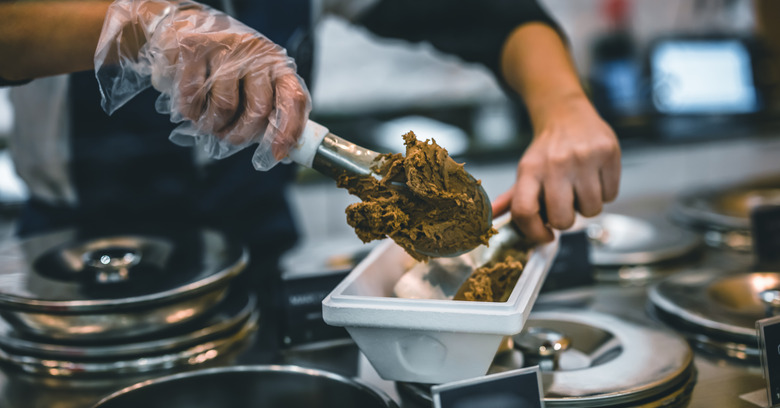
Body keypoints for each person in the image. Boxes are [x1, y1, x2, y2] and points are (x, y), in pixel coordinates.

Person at [0, 0, 620, 273]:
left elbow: (488, 15)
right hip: (73, 273)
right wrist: (143, 23)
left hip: (253, 259)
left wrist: (564, 105)